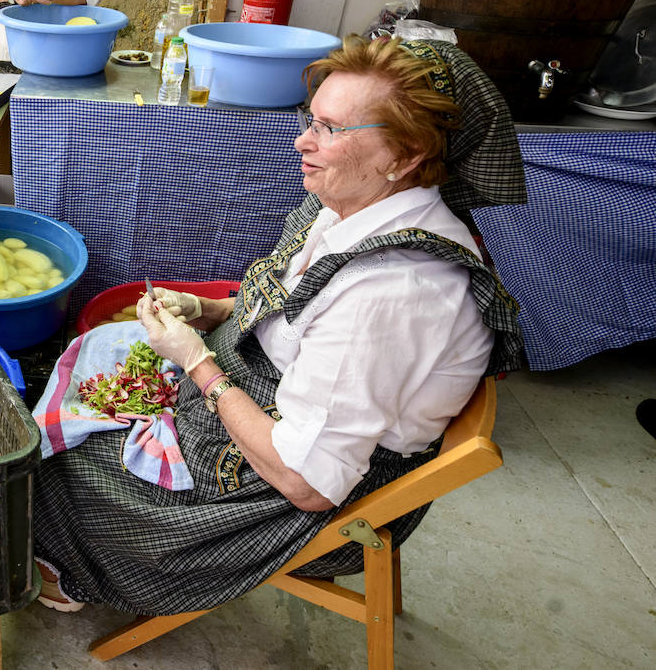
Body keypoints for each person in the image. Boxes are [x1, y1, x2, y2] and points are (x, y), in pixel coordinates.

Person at [30, 36, 529, 614]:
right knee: (100, 355)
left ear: (407, 154)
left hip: (290, 493)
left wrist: (198, 362)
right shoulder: (358, 207)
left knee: (66, 466)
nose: (303, 141)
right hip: (275, 402)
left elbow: (308, 483)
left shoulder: (394, 291)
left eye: (332, 129)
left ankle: (74, 572)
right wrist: (210, 310)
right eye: (311, 120)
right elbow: (302, 316)